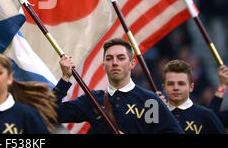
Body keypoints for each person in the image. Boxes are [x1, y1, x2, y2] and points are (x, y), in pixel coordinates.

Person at [54, 38, 183, 134]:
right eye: (109, 58)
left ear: (132, 64)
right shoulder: (92, 100)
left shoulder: (150, 102)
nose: (115, 63)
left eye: (121, 58)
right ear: (104, 65)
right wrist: (65, 78)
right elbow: (51, 114)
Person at [156, 60, 225, 134]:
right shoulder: (154, 116)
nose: (176, 88)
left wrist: (223, 86)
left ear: (191, 87)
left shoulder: (206, 115)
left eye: (181, 83)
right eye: (171, 84)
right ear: (164, 88)